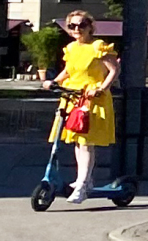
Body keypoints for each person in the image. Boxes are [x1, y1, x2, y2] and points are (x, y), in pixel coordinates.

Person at [48, 10, 119, 204]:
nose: (77, 29)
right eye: (72, 26)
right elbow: (68, 71)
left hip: (91, 98)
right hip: (72, 96)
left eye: (81, 25)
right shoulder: (71, 48)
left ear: (90, 27)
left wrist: (102, 88)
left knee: (86, 142)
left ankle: (81, 185)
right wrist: (52, 82)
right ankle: (84, 180)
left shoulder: (98, 46)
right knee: (77, 142)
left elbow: (114, 70)